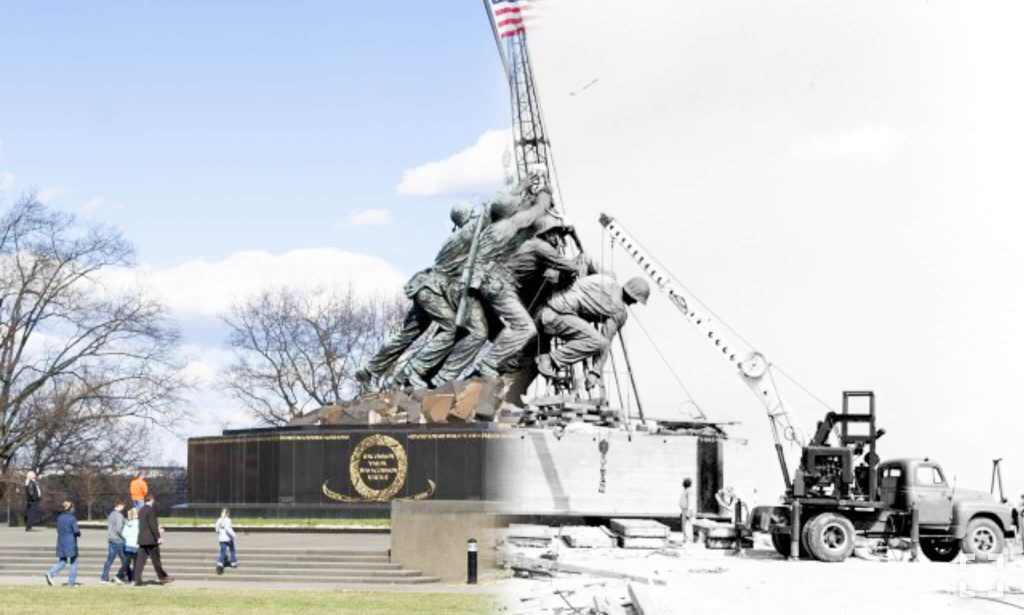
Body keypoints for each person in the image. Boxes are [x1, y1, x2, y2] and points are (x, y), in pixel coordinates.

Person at [355, 202, 482, 391]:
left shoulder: (455, 237)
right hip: (432, 290)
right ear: (467, 217)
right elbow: (490, 215)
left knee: (407, 334)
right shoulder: (464, 234)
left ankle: (369, 370)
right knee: (452, 329)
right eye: (472, 215)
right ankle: (412, 373)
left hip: (425, 286)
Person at [534, 274, 650, 390]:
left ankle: (546, 357)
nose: (635, 303)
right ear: (632, 296)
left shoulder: (607, 280)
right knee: (600, 342)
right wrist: (595, 373)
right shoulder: (619, 311)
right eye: (636, 300)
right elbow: (605, 341)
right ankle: (550, 359)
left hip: (542, 308)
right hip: (554, 317)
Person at [134, 494, 172, 585]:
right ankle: (163, 577)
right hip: (151, 540)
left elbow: (144, 525)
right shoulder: (151, 510)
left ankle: (137, 580)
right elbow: (152, 525)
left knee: (140, 562)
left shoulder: (141, 510)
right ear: (152, 500)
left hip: (142, 539)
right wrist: (158, 537)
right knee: (156, 560)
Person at [44, 501, 80, 587]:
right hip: (70, 542)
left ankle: (51, 573)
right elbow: (76, 531)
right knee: (73, 561)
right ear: (70, 508)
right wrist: (78, 533)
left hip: (61, 541)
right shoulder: (72, 519)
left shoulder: (60, 518)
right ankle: (71, 582)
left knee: (62, 561)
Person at [100, 499, 127, 584]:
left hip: (111, 540)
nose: (123, 508)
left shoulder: (111, 514)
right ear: (120, 505)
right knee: (125, 560)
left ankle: (104, 577)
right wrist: (125, 538)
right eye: (123, 506)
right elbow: (119, 530)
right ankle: (121, 576)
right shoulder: (119, 516)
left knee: (109, 560)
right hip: (118, 541)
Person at [215, 508, 238, 574]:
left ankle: (220, 565)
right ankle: (233, 563)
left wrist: (220, 534)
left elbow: (216, 529)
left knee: (223, 552)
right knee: (232, 550)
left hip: (221, 539)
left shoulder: (218, 520)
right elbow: (228, 529)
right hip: (228, 539)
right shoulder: (228, 520)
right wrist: (233, 535)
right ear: (227, 514)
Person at [120, 507, 140, 582]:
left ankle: (123, 575)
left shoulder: (127, 523)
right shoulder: (138, 523)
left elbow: (123, 534)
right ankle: (133, 578)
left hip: (128, 545)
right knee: (136, 563)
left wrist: (128, 539)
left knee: (127, 561)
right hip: (136, 545)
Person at [679, 478, 695, 544]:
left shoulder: (689, 491)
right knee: (684, 525)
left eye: (684, 482)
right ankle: (685, 539)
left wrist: (688, 512)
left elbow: (690, 502)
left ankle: (689, 540)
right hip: (684, 510)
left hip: (688, 510)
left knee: (687, 525)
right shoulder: (685, 491)